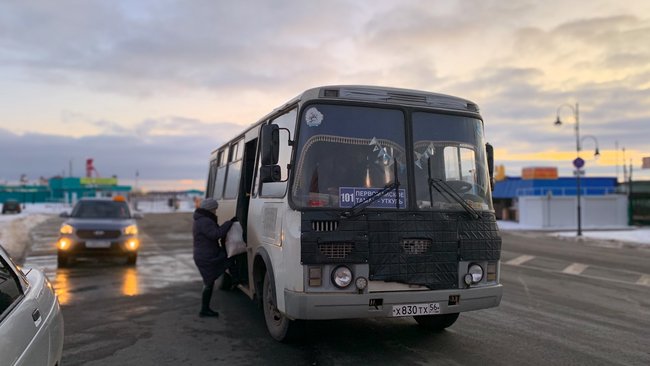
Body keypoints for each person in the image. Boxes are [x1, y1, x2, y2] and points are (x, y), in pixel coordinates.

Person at [192, 198, 237, 318]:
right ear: (210, 209)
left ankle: (205, 309)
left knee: (209, 282)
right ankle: (204, 310)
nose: (215, 212)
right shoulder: (205, 221)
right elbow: (215, 234)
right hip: (207, 257)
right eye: (214, 209)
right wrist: (229, 223)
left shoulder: (201, 219)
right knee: (210, 281)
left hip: (204, 255)